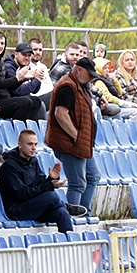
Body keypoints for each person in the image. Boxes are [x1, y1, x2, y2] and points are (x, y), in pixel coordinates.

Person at [0, 129, 84, 232]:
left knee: (62, 212)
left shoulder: (33, 161)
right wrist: (49, 185)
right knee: (51, 196)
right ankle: (66, 206)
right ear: (20, 145)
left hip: (33, 205)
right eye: (30, 144)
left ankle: (70, 244)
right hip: (16, 209)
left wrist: (52, 179)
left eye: (35, 144)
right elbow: (22, 193)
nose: (34, 148)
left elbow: (41, 185)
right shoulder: (9, 166)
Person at [45, 57, 102, 213]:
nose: (91, 78)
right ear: (78, 70)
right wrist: (76, 136)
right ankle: (73, 219)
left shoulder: (78, 85)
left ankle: (84, 213)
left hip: (80, 143)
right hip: (70, 144)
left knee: (93, 176)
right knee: (77, 183)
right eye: (89, 74)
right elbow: (60, 114)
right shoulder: (68, 87)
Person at [0, 32, 44, 121]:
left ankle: (28, 131)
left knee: (36, 101)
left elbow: (11, 85)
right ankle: (17, 132)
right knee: (26, 102)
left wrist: (22, 78)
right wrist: (17, 78)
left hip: (1, 99)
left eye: (2, 43)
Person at [2, 41, 48, 119]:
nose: (26, 58)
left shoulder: (26, 66)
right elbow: (18, 91)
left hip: (25, 100)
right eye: (24, 55)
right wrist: (36, 80)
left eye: (29, 55)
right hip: (12, 102)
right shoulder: (8, 67)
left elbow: (35, 90)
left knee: (54, 95)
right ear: (16, 54)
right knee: (38, 103)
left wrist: (38, 78)